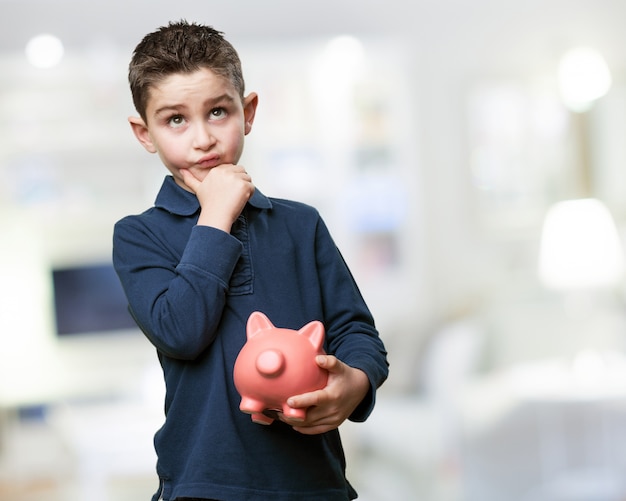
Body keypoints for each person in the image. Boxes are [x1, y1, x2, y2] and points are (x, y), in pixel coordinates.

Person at [113, 20, 389, 501]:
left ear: (248, 111)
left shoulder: (301, 226)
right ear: (145, 133)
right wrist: (216, 216)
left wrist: (354, 384)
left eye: (217, 112)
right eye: (175, 119)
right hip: (201, 484)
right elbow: (181, 331)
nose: (202, 139)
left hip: (314, 484)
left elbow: (358, 332)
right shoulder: (139, 236)